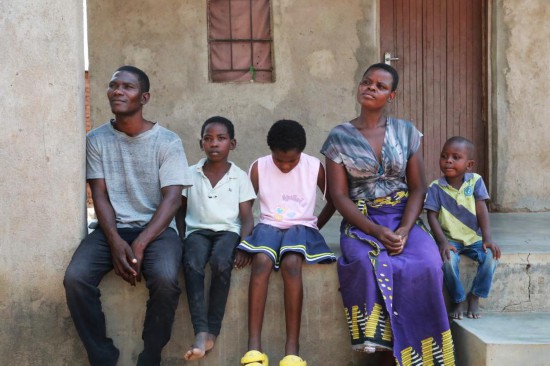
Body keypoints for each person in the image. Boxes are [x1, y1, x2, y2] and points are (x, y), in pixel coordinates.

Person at [321, 63, 455, 365]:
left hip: (402, 217)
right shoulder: (339, 137)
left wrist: (406, 230)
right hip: (362, 221)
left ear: (390, 96)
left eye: (380, 86)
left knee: (428, 263)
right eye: (366, 82)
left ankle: (417, 356)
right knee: (366, 263)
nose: (371, 88)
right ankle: (384, 353)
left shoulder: (407, 132)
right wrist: (375, 231)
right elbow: (340, 196)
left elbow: (418, 187)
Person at [63, 65, 192, 366]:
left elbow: (173, 200)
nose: (118, 91)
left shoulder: (167, 141)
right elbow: (100, 195)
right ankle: (103, 356)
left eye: (127, 87)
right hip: (112, 228)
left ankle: (151, 355)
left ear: (144, 97)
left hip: (158, 231)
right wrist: (115, 241)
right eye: (113, 85)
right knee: (76, 279)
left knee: (165, 279)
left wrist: (141, 244)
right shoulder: (96, 139)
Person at [238, 120, 336, 366]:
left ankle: (292, 351)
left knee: (292, 263)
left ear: (301, 153)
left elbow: (333, 200)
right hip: (268, 226)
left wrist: (314, 225)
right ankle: (254, 350)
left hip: (301, 227)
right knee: (261, 261)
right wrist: (243, 242)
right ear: (270, 150)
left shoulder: (314, 166)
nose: (284, 165)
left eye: (291, 161)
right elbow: (246, 208)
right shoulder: (258, 167)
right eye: (279, 160)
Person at [175, 116, 256, 361]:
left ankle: (212, 331)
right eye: (208, 139)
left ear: (232, 143)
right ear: (201, 144)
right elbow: (179, 210)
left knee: (222, 262)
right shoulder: (190, 174)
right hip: (197, 231)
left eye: (221, 139)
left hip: (228, 232)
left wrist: (244, 245)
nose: (214, 144)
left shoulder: (240, 176)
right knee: (192, 263)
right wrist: (180, 239)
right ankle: (201, 331)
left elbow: (247, 217)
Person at [424, 136, 500, 320]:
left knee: (491, 258)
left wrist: (487, 238)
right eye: (444, 156)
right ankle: (458, 298)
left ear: (469, 164)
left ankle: (475, 295)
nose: (448, 160)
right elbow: (431, 216)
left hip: (475, 238)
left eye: (456, 157)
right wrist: (442, 242)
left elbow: (481, 210)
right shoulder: (435, 188)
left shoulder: (475, 181)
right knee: (448, 262)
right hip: (451, 240)